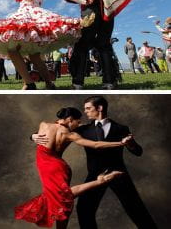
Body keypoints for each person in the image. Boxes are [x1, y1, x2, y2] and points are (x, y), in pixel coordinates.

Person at [33, 97, 158, 228]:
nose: (85, 112)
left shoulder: (121, 128)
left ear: (100, 108)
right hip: (94, 175)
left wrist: (130, 144)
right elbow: (51, 132)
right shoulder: (82, 129)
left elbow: (138, 151)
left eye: (88, 108)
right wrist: (33, 136)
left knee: (136, 210)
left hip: (119, 173)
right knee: (84, 210)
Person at [17, 107, 128, 228]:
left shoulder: (43, 125)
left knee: (63, 198)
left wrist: (33, 136)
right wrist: (120, 143)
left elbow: (39, 135)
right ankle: (101, 181)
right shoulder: (70, 134)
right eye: (78, 122)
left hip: (49, 167)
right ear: (70, 119)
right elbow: (96, 145)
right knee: (62, 200)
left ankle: (101, 181)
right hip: (57, 167)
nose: (79, 124)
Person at [63, 0, 141, 89]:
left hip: (90, 11)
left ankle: (78, 83)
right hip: (108, 9)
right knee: (104, 44)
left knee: (82, 45)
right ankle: (109, 81)